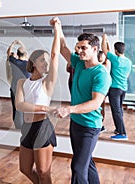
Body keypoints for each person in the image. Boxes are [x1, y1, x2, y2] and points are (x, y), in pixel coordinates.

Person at [54, 17, 111, 183]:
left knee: (78, 168)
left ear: (95, 49)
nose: (79, 51)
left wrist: (68, 109)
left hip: (89, 127)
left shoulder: (101, 74)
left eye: (83, 48)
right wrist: (58, 27)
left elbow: (95, 103)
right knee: (87, 162)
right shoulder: (79, 63)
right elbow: (63, 47)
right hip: (76, 123)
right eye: (78, 48)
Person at [15, 17, 60, 183]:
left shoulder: (47, 82)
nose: (46, 63)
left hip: (42, 127)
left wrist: (57, 28)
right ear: (33, 63)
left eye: (47, 61)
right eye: (42, 60)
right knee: (25, 169)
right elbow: (19, 105)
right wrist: (46, 108)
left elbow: (55, 55)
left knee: (43, 171)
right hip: (27, 127)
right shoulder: (22, 82)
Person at [102, 34, 132, 140]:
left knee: (116, 111)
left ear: (116, 50)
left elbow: (104, 50)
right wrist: (107, 44)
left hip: (114, 89)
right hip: (123, 88)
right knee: (119, 110)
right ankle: (118, 129)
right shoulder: (128, 62)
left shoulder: (115, 60)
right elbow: (108, 51)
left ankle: (122, 133)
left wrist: (104, 39)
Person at [6, 40, 31, 129]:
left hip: (14, 89)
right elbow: (26, 53)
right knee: (26, 108)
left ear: (17, 54)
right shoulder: (29, 64)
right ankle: (26, 125)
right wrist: (21, 43)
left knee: (16, 108)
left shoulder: (14, 62)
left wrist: (13, 44)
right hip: (27, 90)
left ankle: (18, 127)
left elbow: (8, 53)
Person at [97, 50, 111, 132]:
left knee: (101, 107)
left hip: (104, 90)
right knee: (100, 107)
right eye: (103, 56)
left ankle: (100, 124)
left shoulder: (105, 65)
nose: (105, 57)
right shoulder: (102, 66)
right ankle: (100, 124)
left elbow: (107, 53)